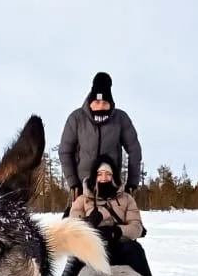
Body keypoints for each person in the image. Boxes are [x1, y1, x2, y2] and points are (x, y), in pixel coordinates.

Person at [58, 155, 155, 276]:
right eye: (100, 174)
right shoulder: (83, 199)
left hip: (119, 246)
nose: (104, 178)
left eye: (108, 174)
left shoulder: (126, 199)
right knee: (75, 254)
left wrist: (116, 231)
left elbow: (137, 227)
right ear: (94, 176)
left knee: (135, 250)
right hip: (93, 247)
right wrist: (89, 224)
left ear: (114, 177)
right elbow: (71, 228)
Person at [59, 72, 143, 203]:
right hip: (83, 189)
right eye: (97, 102)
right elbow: (65, 151)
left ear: (111, 103)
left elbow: (134, 150)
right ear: (90, 101)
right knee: (74, 222)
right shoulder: (76, 119)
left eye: (105, 102)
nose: (100, 106)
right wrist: (73, 183)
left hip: (111, 187)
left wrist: (132, 182)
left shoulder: (120, 119)